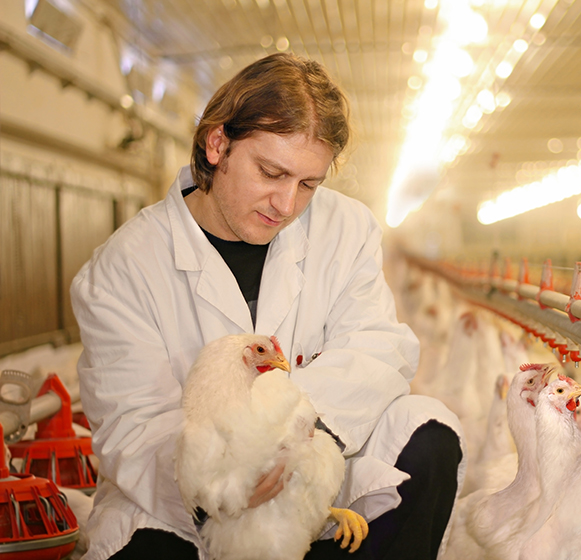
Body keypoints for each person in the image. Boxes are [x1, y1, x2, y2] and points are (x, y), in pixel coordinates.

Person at [70, 52, 464, 560]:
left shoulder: (347, 227)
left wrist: (298, 437)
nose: (286, 204)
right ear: (218, 144)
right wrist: (225, 480)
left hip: (311, 480)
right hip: (185, 513)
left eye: (308, 184)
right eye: (270, 172)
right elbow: (132, 422)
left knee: (429, 434)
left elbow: (376, 347)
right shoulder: (123, 267)